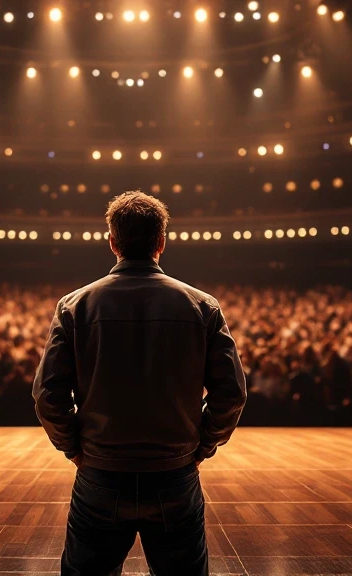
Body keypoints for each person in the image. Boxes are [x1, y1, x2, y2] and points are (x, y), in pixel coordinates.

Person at [33, 191, 246, 576]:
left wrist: (75, 449)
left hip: (100, 472)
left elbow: (47, 396)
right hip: (175, 473)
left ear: (112, 241)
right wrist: (202, 446)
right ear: (161, 242)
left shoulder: (74, 305)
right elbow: (232, 393)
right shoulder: (203, 306)